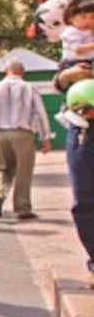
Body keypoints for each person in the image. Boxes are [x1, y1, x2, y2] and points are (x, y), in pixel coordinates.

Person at [0, 59, 52, 220]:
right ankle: (22, 208)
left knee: (0, 167)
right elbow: (41, 113)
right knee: (23, 171)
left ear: (7, 71)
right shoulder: (29, 87)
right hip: (23, 134)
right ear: (22, 71)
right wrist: (45, 137)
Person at [52, 58, 94, 289]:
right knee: (85, 201)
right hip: (84, 133)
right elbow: (58, 82)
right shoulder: (77, 49)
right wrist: (70, 75)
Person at [59, 0, 94, 67]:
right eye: (83, 17)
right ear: (71, 18)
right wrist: (91, 46)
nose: (88, 21)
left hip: (88, 61)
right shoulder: (72, 32)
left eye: (92, 17)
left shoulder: (89, 31)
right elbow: (78, 49)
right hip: (71, 63)